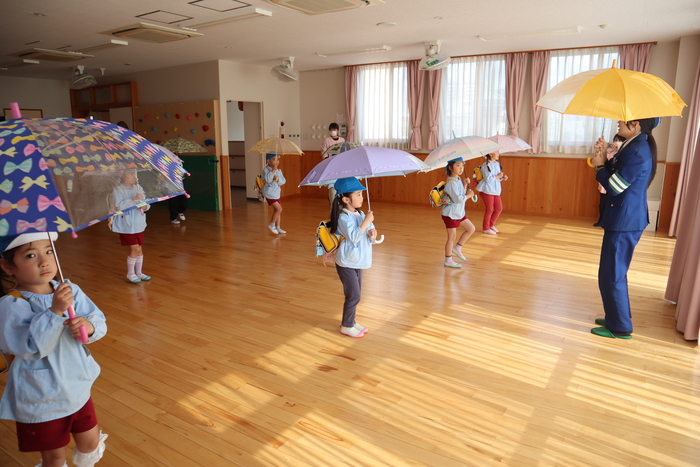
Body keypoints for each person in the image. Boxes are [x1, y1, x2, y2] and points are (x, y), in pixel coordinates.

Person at [0, 232, 109, 467]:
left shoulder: (70, 290)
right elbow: (30, 347)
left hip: (77, 386)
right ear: (8, 267)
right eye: (31, 255)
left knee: (90, 443)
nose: (44, 261)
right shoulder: (12, 304)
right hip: (42, 396)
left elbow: (98, 319)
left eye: (49, 251)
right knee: (55, 457)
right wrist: (55, 311)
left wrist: (88, 327)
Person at [590, 117, 659, 339]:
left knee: (612, 274)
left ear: (635, 124)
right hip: (623, 219)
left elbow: (615, 186)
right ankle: (616, 317)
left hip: (624, 220)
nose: (619, 121)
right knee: (612, 272)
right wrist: (603, 157)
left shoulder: (637, 150)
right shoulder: (635, 144)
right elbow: (617, 173)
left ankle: (619, 327)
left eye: (624, 119)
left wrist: (600, 166)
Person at [329, 177, 376, 338]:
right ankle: (346, 325)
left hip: (358, 260)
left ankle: (351, 321)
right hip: (347, 262)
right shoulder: (343, 217)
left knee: (356, 294)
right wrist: (366, 221)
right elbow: (354, 237)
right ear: (346, 199)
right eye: (358, 194)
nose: (362, 198)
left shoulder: (360, 213)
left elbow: (368, 232)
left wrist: (372, 233)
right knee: (353, 295)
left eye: (362, 194)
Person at [111, 169, 151, 283]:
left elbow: (146, 201)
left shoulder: (138, 188)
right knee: (135, 249)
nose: (134, 176)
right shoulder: (118, 190)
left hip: (138, 223)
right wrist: (133, 199)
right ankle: (130, 273)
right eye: (131, 174)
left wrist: (145, 206)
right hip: (127, 225)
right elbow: (119, 206)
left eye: (134, 174)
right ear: (123, 176)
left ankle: (139, 272)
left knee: (140, 249)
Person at [441, 157, 476, 269]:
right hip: (451, 214)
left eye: (462, 165)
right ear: (450, 167)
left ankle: (457, 248)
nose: (461, 168)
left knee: (471, 229)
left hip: (459, 213)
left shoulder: (458, 179)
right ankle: (448, 260)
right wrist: (469, 196)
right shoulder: (451, 182)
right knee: (451, 237)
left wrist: (464, 185)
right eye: (458, 165)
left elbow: (460, 194)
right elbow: (458, 199)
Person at [593, 134, 625, 227]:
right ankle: (601, 220)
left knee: (611, 202)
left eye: (619, 141)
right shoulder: (608, 151)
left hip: (614, 182)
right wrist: (602, 149)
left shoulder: (623, 154)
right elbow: (600, 164)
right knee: (602, 202)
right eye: (615, 140)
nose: (616, 143)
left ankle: (608, 221)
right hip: (604, 181)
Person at [477, 152, 508, 235]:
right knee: (490, 209)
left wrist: (502, 177)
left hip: (496, 190)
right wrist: (498, 176)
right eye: (496, 152)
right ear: (490, 154)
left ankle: (491, 225)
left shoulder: (497, 164)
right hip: (487, 190)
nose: (498, 154)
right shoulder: (486, 165)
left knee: (499, 208)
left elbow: (496, 178)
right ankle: (486, 228)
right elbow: (487, 179)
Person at [262, 154, 287, 234]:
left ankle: (278, 227)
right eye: (274, 159)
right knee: (279, 209)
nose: (276, 161)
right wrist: (273, 171)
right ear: (268, 161)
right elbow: (268, 180)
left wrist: (277, 179)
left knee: (277, 211)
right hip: (269, 194)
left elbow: (283, 181)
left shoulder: (279, 171)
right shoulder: (265, 170)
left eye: (277, 160)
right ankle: (271, 225)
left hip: (276, 193)